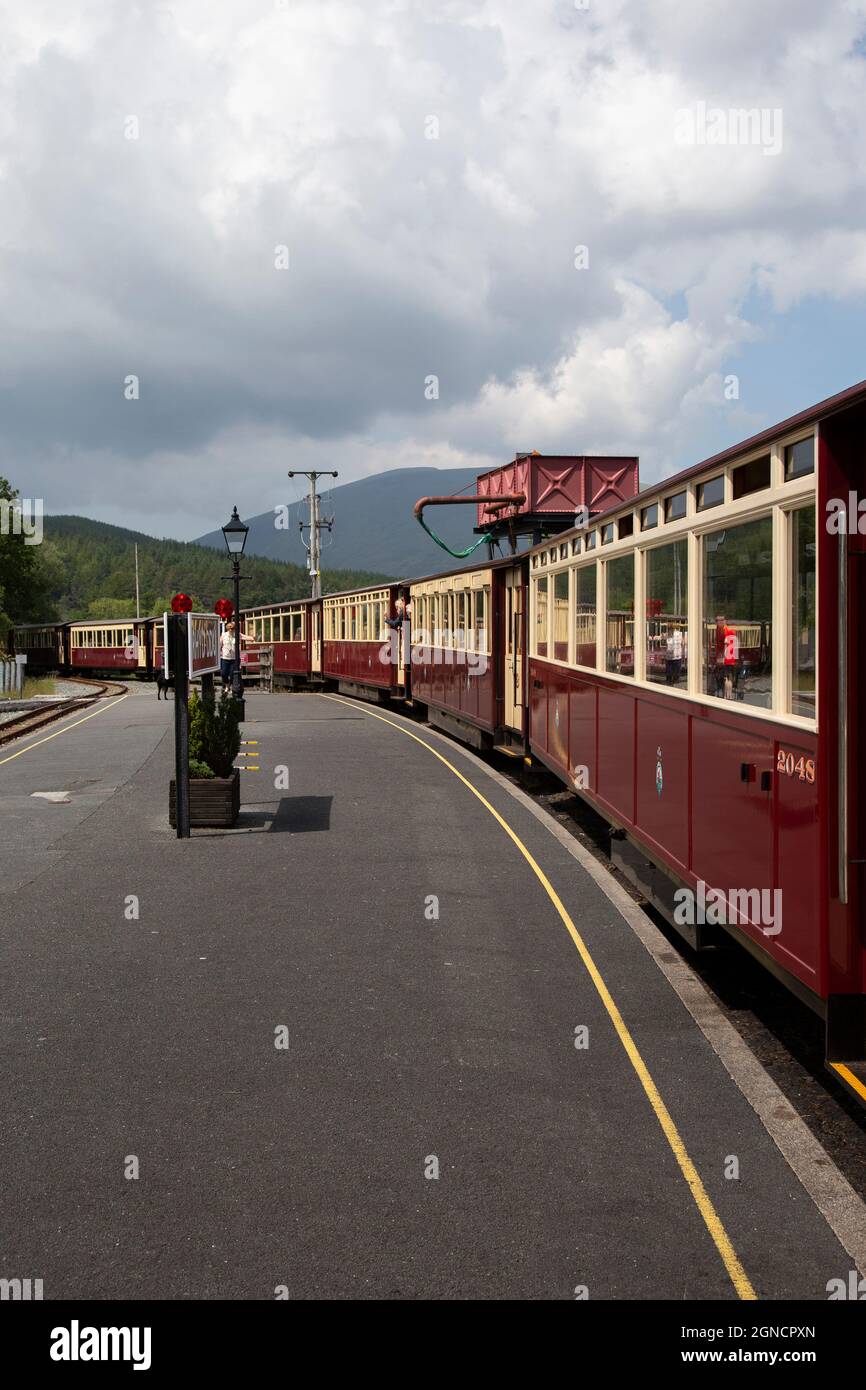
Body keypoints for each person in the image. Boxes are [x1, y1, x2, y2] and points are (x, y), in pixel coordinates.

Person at [220, 620, 245, 690]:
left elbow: (244, 637)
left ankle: (230, 686)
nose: (231, 630)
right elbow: (219, 644)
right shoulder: (224, 635)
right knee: (223, 673)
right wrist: (219, 652)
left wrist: (252, 638)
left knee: (232, 674)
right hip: (225, 657)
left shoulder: (237, 635)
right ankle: (227, 684)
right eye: (229, 628)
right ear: (227, 628)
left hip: (234, 658)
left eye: (232, 628)